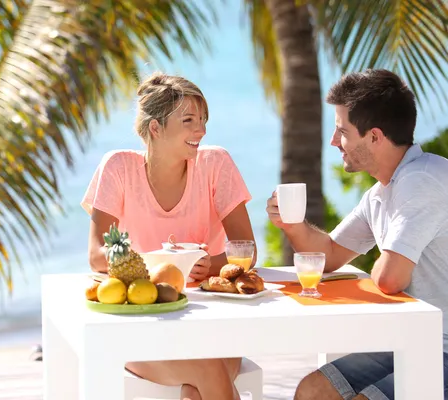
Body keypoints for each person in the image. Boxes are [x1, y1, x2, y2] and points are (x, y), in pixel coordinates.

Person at [266, 68, 448, 400]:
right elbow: (330, 254)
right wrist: (293, 225)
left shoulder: (423, 181)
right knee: (313, 391)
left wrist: (385, 264)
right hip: (411, 338)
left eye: (342, 131)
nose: (334, 141)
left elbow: (390, 279)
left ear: (375, 137)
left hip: (443, 345)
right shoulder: (381, 193)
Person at [81, 72, 257, 400]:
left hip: (212, 321)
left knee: (198, 388)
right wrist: (160, 267)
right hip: (141, 325)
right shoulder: (118, 168)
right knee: (207, 373)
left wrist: (211, 264)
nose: (201, 130)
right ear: (155, 128)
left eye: (203, 119)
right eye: (189, 120)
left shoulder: (216, 163)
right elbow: (95, 254)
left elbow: (246, 250)